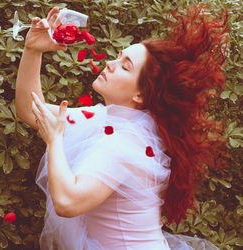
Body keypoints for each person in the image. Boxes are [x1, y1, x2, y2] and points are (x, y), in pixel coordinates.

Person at [15, 5, 229, 250]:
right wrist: (32, 49)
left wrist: (55, 141)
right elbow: (30, 110)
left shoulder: (125, 144)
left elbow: (66, 202)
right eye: (118, 56)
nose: (110, 64)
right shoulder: (107, 119)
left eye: (125, 66)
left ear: (141, 94)